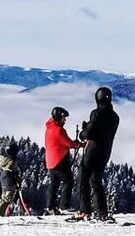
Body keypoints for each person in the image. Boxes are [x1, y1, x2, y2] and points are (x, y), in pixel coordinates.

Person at [77, 86, 119, 222]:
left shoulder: (96, 113)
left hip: (92, 150)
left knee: (84, 179)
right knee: (96, 181)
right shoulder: (115, 117)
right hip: (106, 151)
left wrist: (83, 132)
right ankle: (102, 212)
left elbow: (90, 133)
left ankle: (85, 210)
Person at [42, 107, 80, 214]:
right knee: (69, 181)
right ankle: (64, 206)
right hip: (60, 161)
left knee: (54, 184)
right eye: (64, 117)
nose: (65, 120)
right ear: (59, 117)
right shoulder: (59, 130)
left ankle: (50, 207)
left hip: (51, 161)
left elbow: (61, 142)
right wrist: (80, 144)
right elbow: (69, 144)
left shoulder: (49, 128)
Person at [0, 145, 24, 216]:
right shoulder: (11, 160)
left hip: (4, 177)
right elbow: (13, 171)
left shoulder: (4, 159)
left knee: (4, 197)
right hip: (9, 178)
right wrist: (16, 180)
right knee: (7, 197)